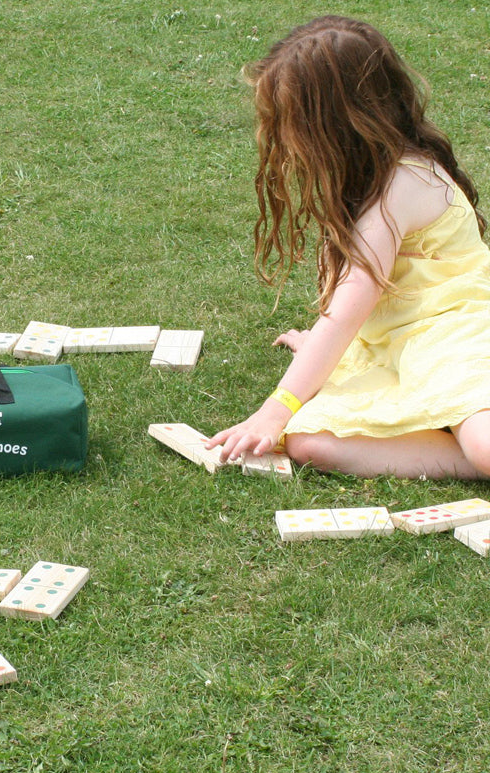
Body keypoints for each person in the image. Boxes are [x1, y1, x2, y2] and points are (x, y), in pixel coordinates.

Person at [206, 15, 490, 480]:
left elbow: (346, 312)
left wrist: (276, 408)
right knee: (310, 442)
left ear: (333, 123)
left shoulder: (405, 181)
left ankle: (474, 452)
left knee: (486, 445)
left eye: (289, 121)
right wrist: (323, 347)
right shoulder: (373, 176)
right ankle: (463, 445)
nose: (280, 136)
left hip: (458, 337)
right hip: (400, 348)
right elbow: (346, 317)